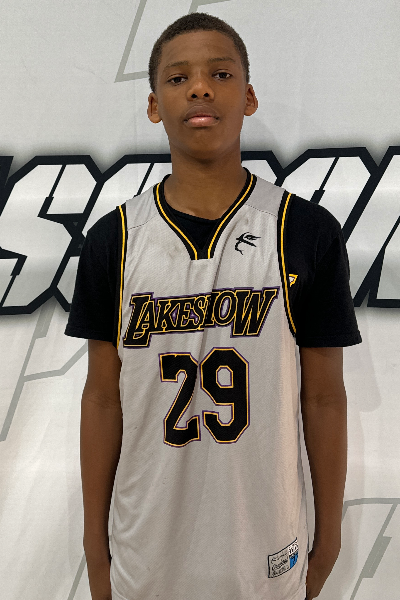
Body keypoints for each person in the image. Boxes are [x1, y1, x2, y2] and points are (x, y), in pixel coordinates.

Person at [65, 12, 361, 600]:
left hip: (266, 545)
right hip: (145, 548)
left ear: (248, 97)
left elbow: (325, 397)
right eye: (178, 78)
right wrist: (94, 547)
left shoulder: (304, 230)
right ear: (154, 106)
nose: (200, 88)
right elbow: (101, 397)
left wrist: (329, 535)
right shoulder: (114, 239)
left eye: (220, 74)